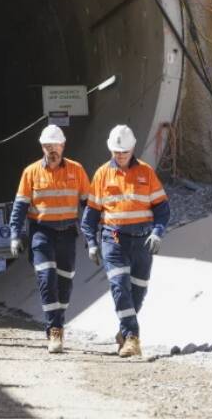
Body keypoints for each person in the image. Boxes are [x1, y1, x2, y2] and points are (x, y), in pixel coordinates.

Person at [81, 124, 171, 359]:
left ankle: (124, 331)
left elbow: (162, 208)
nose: (120, 155)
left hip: (142, 240)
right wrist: (91, 242)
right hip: (114, 239)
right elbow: (90, 214)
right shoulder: (102, 174)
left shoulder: (146, 173)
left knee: (138, 292)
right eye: (116, 151)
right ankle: (132, 337)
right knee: (120, 287)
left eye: (124, 151)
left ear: (133, 148)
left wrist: (158, 232)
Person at [8, 124, 91, 353]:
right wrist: (15, 234)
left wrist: (93, 235)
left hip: (67, 234)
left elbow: (90, 206)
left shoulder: (77, 170)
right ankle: (53, 329)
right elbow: (20, 207)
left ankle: (58, 322)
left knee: (64, 282)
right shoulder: (31, 172)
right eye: (47, 146)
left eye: (55, 145)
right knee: (46, 278)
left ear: (63, 146)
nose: (51, 150)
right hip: (41, 233)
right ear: (42, 147)